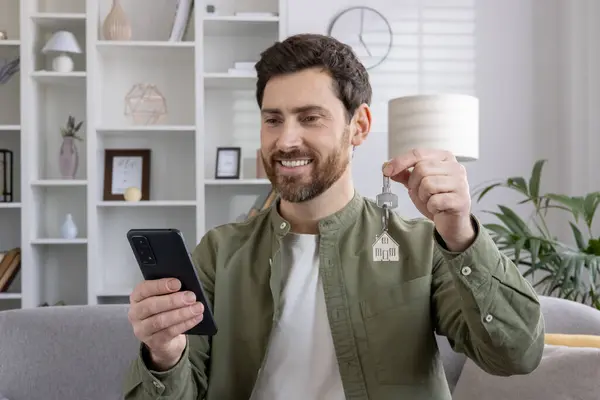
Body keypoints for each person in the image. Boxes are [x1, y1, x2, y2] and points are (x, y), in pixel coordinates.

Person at [123, 33, 545, 400]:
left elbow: (516, 354)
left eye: (310, 118)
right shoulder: (219, 253)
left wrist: (460, 234)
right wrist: (164, 353)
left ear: (358, 125)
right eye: (273, 119)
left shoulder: (420, 246)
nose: (286, 140)